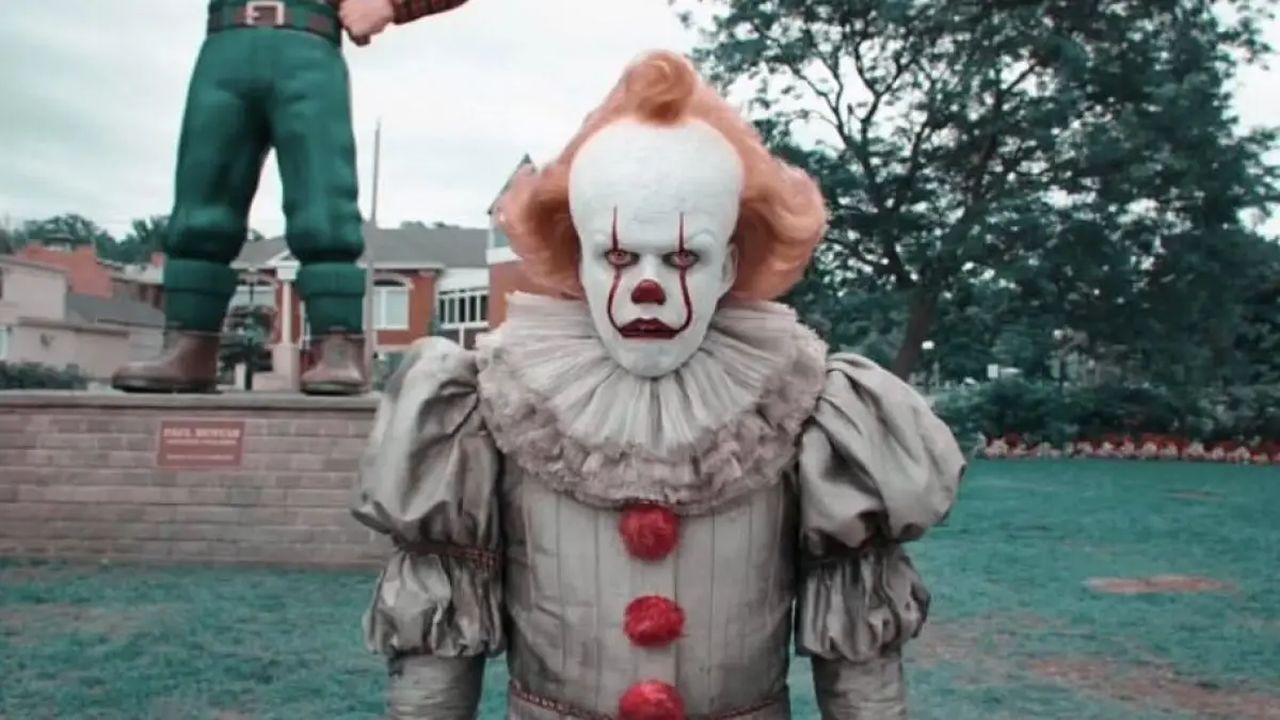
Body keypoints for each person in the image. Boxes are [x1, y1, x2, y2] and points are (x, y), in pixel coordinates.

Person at [353, 50, 966, 719]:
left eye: (682, 256)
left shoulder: (810, 404)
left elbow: (859, 665)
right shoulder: (489, 403)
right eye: (618, 255)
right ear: (579, 259)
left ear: (727, 264)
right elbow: (437, 654)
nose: (648, 287)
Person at [111, 0, 468, 395]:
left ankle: (338, 343)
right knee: (202, 194)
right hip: (224, 46)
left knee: (324, 203)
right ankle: (189, 341)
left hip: (309, 44)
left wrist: (392, 3)